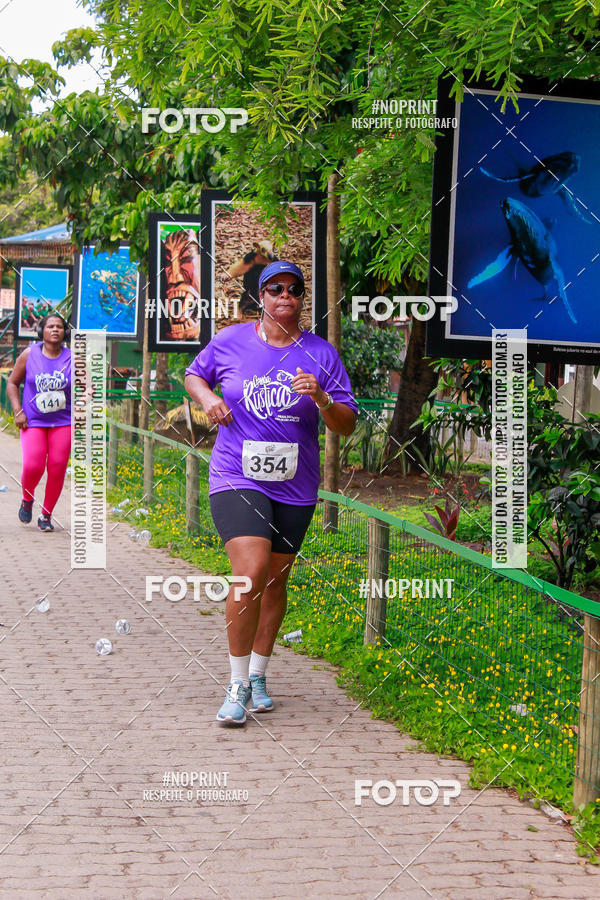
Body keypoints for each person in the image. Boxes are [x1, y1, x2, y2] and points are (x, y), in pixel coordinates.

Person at [184, 260, 358, 725]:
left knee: (276, 580)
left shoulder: (322, 354)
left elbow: (347, 423)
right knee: (251, 570)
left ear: (302, 299)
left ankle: (259, 674)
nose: (285, 296)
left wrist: (322, 399)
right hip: (235, 474)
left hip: (295, 484)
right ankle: (236, 683)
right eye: (275, 288)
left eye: (294, 289)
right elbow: (194, 375)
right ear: (260, 296)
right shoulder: (230, 341)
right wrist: (207, 399)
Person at [7, 313, 72, 532]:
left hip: (63, 422)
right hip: (33, 420)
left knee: (57, 467)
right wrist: (18, 411)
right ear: (41, 331)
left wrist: (88, 393)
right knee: (33, 465)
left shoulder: (73, 358)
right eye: (51, 326)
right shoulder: (29, 354)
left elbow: (85, 386)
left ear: (65, 332)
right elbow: (12, 383)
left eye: (60, 327)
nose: (55, 330)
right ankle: (27, 498)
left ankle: (46, 515)